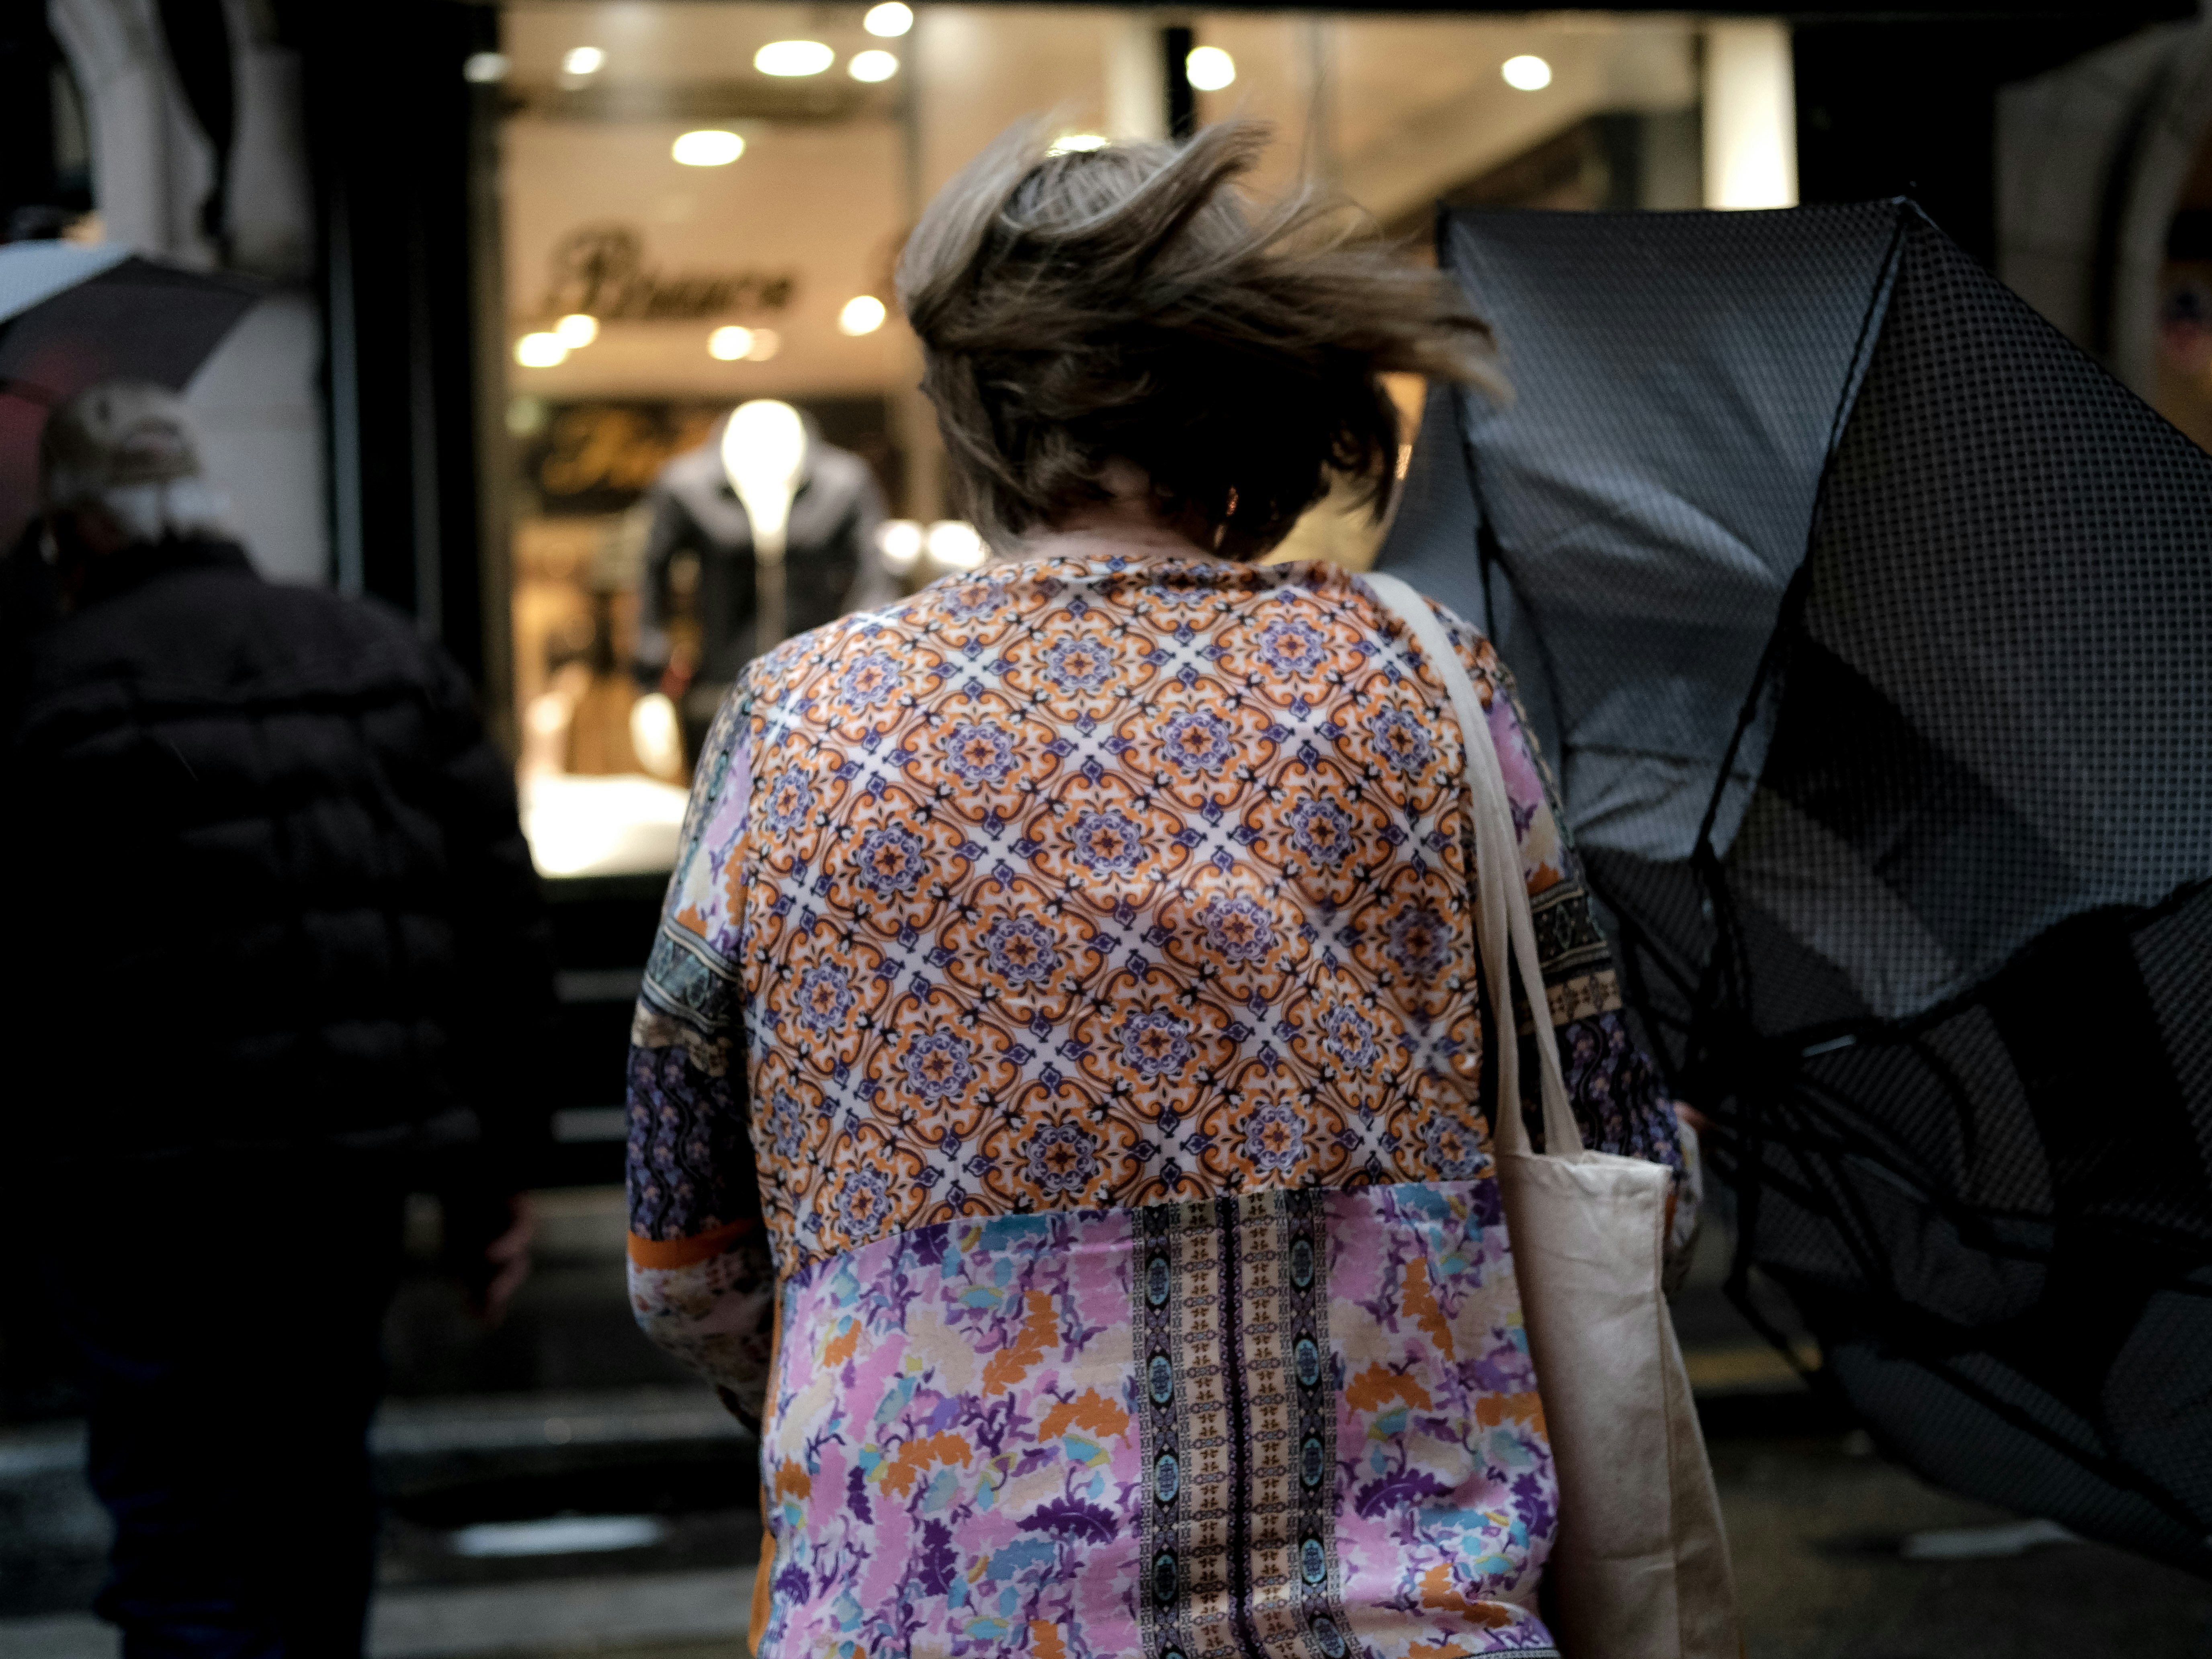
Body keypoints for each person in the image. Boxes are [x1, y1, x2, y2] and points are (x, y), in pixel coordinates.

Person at [623, 121, 1697, 1657]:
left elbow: (683, 1249)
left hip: (934, 1613)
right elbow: (1619, 1155)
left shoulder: (804, 715)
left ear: (978, 405)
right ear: (1252, 394)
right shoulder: (1416, 676)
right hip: (1396, 1619)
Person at [0, 382, 555, 1657]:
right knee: (316, 1489)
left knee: (179, 1517)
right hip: (336, 1185)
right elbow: (497, 926)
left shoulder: (41, 688)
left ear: (73, 534)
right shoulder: (378, 651)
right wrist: (496, 1178)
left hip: (132, 1196)